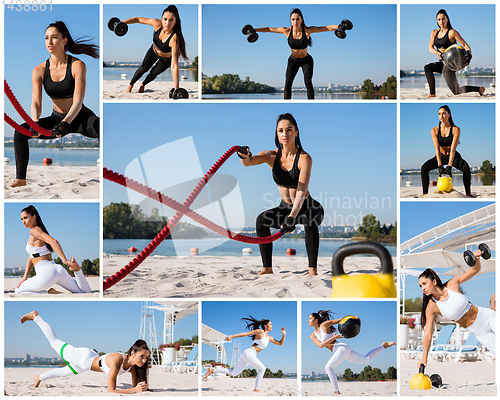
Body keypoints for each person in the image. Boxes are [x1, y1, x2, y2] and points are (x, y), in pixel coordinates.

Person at [10, 21, 99, 188]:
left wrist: (67, 123)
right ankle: (21, 179)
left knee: (101, 127)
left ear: (64, 41)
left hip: (79, 117)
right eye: (46, 38)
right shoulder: (38, 70)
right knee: (20, 132)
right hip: (56, 119)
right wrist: (35, 122)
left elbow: (78, 100)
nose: (49, 42)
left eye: (54, 37)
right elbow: (36, 102)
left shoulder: (78, 65)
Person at [238, 113, 324, 275]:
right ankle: (267, 268)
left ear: (296, 132)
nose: (285, 134)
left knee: (308, 219)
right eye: (281, 131)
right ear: (277, 133)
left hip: (308, 206)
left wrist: (293, 216)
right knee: (261, 220)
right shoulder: (271, 156)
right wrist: (243, 156)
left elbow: (301, 189)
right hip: (285, 207)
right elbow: (249, 162)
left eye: (289, 130)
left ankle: (312, 269)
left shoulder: (304, 158)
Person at [20, 310, 149, 393]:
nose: (144, 360)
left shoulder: (133, 367)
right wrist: (135, 390)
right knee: (54, 342)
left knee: (63, 372)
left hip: (89, 362)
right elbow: (111, 391)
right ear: (132, 353)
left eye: (146, 358)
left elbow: (135, 387)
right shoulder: (117, 360)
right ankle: (36, 317)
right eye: (142, 356)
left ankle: (38, 378)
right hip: (83, 358)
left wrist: (139, 388)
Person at [417, 251, 496, 368]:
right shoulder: (431, 306)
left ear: (434, 281)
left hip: (488, 317)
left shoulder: (452, 284)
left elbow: (475, 270)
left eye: (424, 283)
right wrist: (424, 359)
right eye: (420, 286)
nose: (423, 288)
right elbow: (428, 334)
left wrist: (477, 259)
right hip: (479, 332)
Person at [252, 9, 341, 99]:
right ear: (290, 20)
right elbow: (269, 29)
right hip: (293, 60)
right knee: (287, 83)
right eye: (293, 19)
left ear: (301, 19)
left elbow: (327, 28)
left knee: (308, 82)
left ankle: (311, 102)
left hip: (306, 60)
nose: (295, 21)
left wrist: (339, 26)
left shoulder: (307, 31)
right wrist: (254, 30)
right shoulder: (286, 31)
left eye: (297, 19)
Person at [308, 310, 396, 394]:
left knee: (328, 368)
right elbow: (321, 345)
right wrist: (333, 338)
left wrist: (355, 319)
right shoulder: (312, 335)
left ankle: (336, 390)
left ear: (316, 320)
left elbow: (342, 320)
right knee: (366, 360)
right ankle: (383, 346)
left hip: (341, 348)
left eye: (310, 318)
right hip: (340, 350)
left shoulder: (324, 325)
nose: (308, 320)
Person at [15, 205, 92, 295]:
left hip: (46, 273)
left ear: (34, 217)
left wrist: (65, 260)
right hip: (58, 269)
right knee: (85, 292)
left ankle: (49, 292)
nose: (23, 221)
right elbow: (32, 255)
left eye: (25, 218)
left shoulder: (33, 231)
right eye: (21, 219)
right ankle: (77, 270)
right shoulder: (41, 231)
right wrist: (25, 277)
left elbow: (54, 241)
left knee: (18, 291)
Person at [204, 316, 286, 392]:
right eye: (270, 324)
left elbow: (280, 343)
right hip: (249, 353)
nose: (272, 326)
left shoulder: (269, 338)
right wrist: (232, 336)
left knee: (234, 373)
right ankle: (256, 389)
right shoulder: (260, 332)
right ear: (265, 326)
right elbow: (246, 334)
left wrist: (284, 335)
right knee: (262, 368)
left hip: (249, 355)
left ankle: (213, 370)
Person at [122, 5, 188, 93]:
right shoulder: (157, 23)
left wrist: (177, 89)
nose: (167, 23)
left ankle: (143, 84)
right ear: (162, 19)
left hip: (166, 59)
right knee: (143, 69)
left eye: (171, 20)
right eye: (165, 19)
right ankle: (130, 85)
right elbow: (137, 19)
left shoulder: (174, 39)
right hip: (154, 51)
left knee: (153, 73)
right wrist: (122, 23)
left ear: (175, 21)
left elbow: (174, 66)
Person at [424, 9, 485, 98]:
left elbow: (466, 46)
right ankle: (479, 89)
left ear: (447, 19)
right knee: (456, 91)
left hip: (451, 65)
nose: (441, 21)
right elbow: (430, 48)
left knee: (428, 67)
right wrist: (440, 54)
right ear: (437, 21)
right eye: (439, 19)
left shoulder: (452, 32)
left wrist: (469, 56)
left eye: (443, 19)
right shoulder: (434, 33)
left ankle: (432, 94)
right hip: (442, 63)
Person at [420, 105, 473, 197]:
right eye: (439, 114)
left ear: (449, 115)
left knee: (466, 168)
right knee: (424, 168)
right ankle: (424, 193)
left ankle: (468, 193)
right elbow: (436, 148)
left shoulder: (456, 129)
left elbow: (453, 149)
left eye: (444, 113)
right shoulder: (434, 130)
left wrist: (449, 166)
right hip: (440, 156)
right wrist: (439, 165)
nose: (441, 116)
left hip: (453, 156)